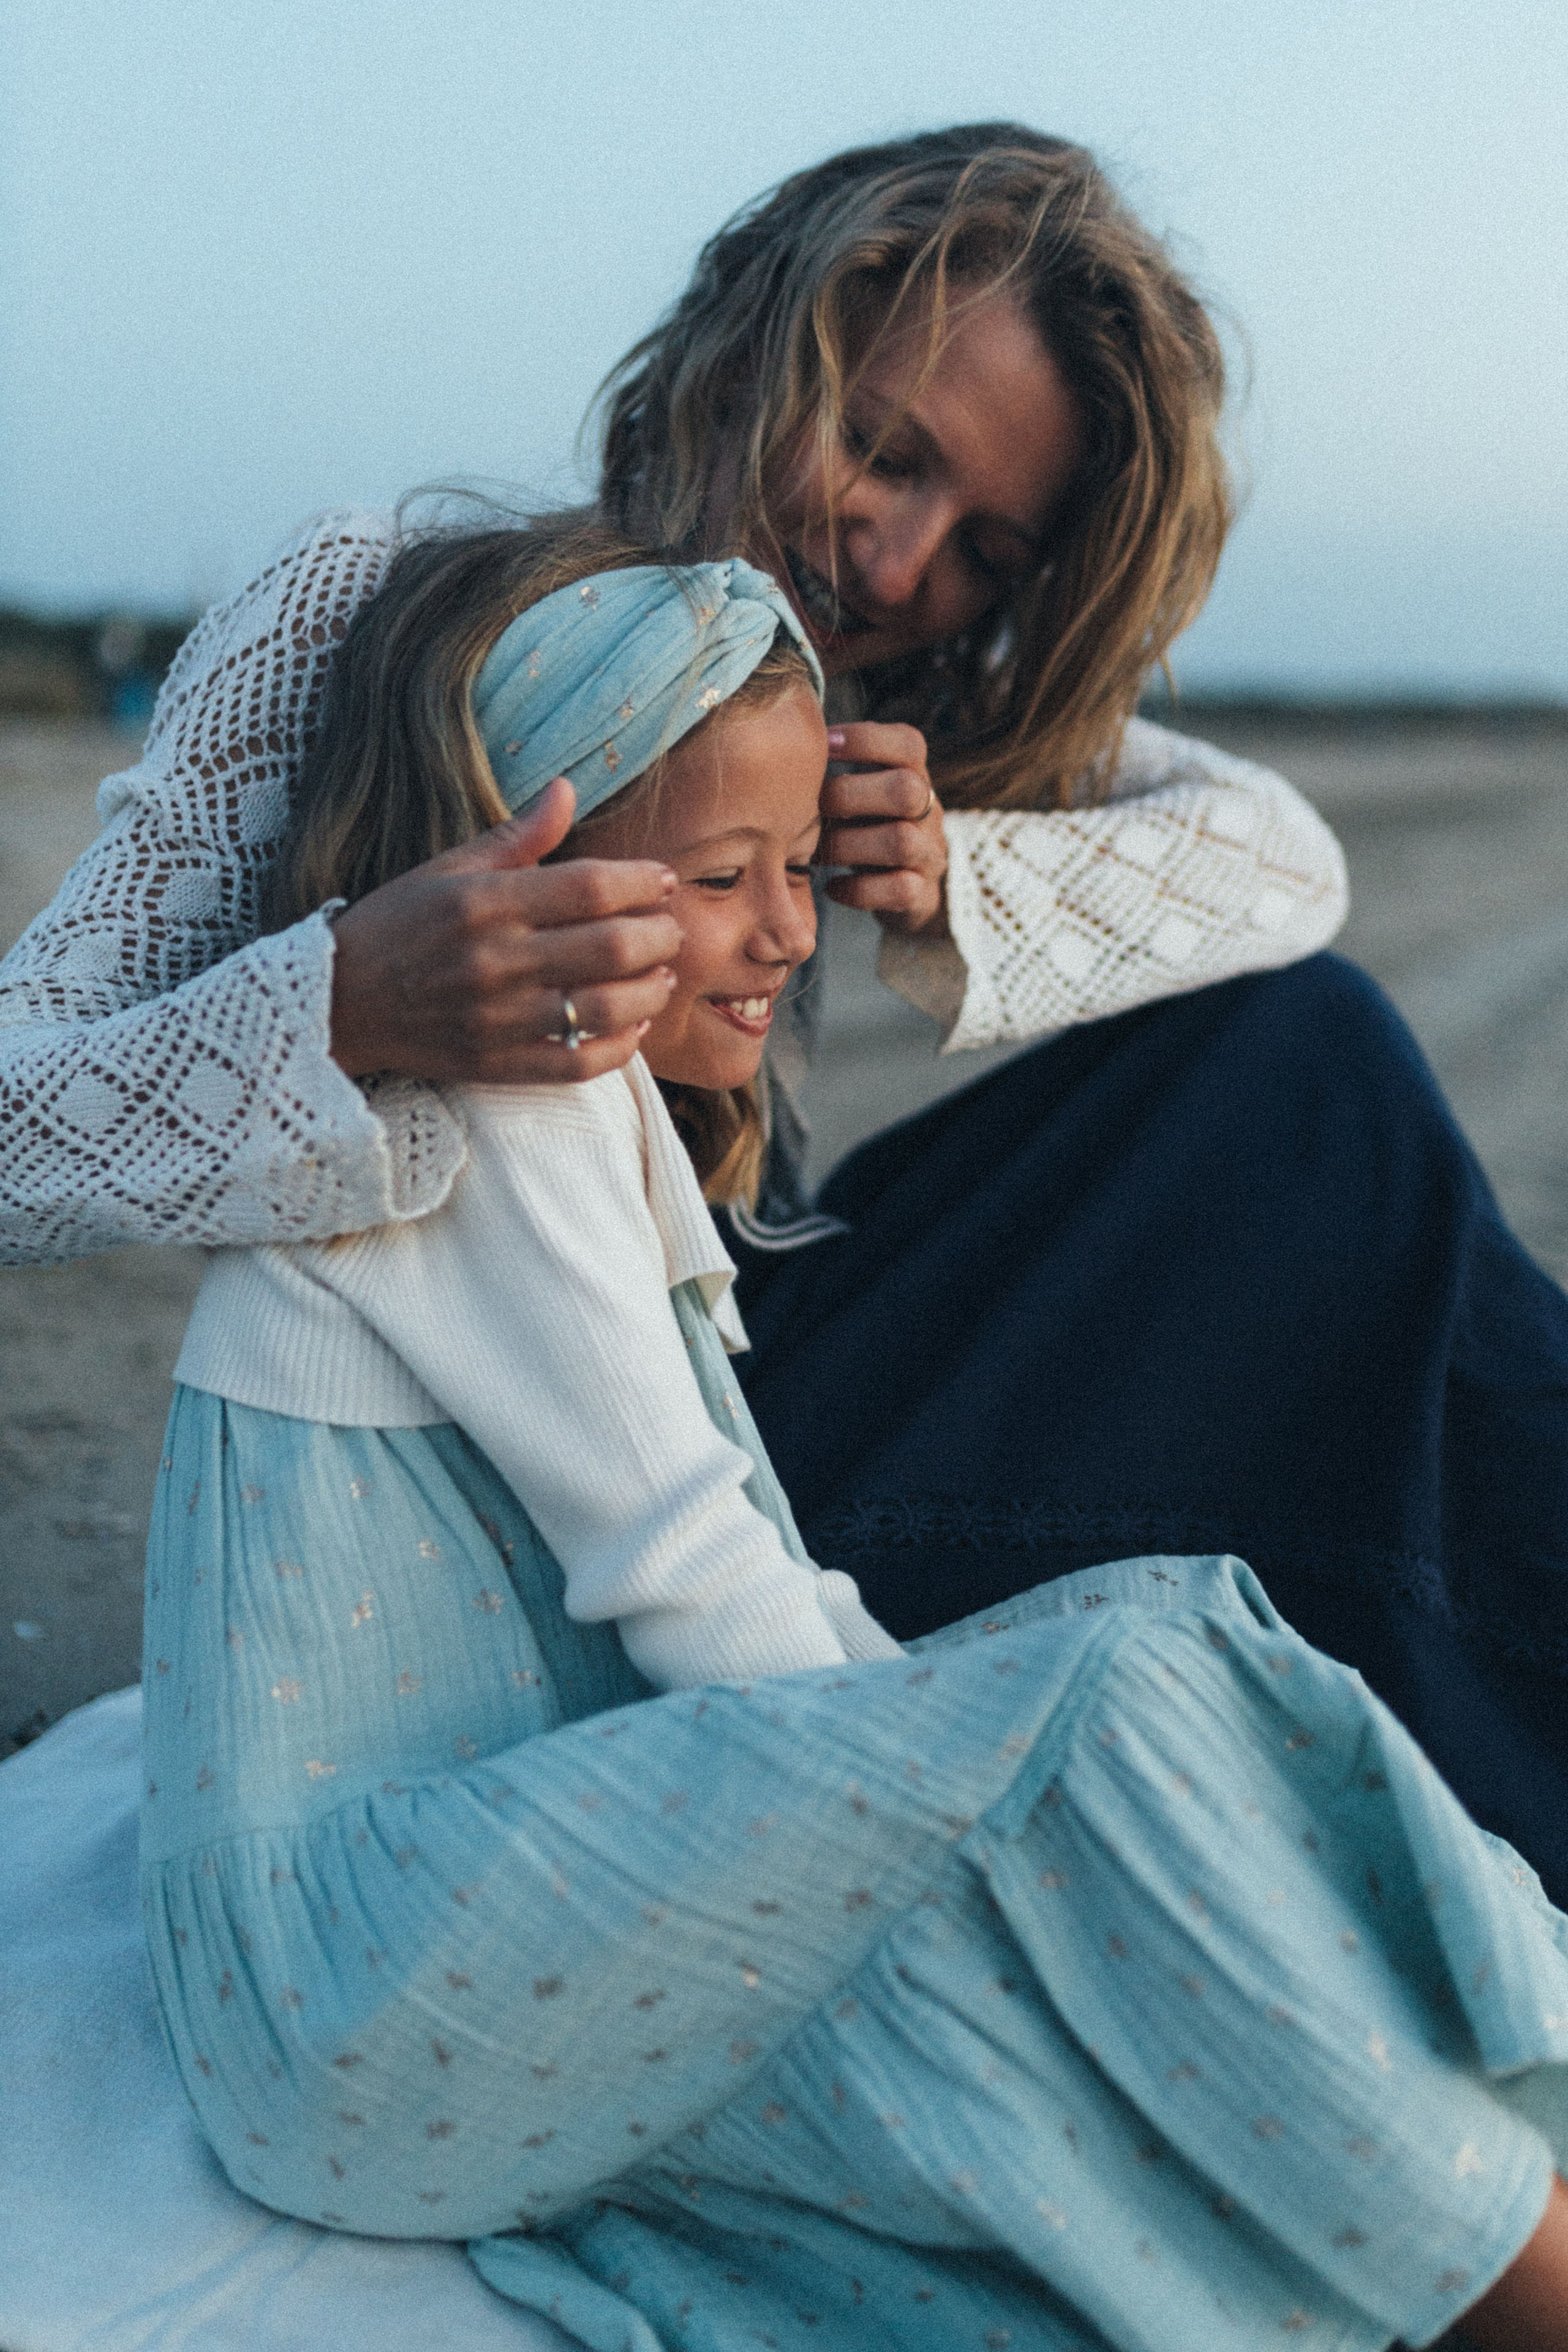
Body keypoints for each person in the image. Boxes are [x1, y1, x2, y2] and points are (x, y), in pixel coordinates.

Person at [4, 125, 1566, 1896]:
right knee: (1327, 1165)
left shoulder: (842, 705)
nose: (901, 564)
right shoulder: (378, 608)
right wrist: (343, 1008)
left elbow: (1285, 859)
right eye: (882, 451)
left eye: (987, 548)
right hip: (572, 1541)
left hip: (734, 1403)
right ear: (751, 342)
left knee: (1303, 1078)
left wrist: (957, 862)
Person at [145, 521, 1568, 2352]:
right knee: (1106, 1711)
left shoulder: (586, 1113)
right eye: (727, 876)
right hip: (351, 1982)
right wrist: (973, 1755)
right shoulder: (492, 1119)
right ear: (533, 873)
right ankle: (1510, 2268)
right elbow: (694, 1576)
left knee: (1156, 1653)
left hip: (459, 1897)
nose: (792, 931)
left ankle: (1482, 2141)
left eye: (801, 865)